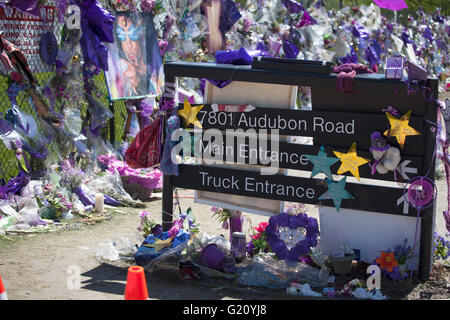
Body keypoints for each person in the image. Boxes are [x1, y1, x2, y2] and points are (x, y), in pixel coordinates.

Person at [113, 13, 157, 98]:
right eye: (122, 36)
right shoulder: (123, 70)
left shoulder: (154, 69)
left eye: (133, 35)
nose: (128, 44)